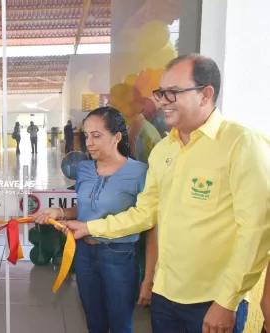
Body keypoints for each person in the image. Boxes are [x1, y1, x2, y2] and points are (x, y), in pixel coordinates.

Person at [57, 54, 270, 333]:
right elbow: (145, 214)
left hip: (212, 300)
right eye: (160, 93)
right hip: (166, 295)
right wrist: (89, 227)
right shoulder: (163, 151)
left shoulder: (241, 145)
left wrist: (227, 302)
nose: (161, 102)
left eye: (173, 93)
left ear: (206, 94)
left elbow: (256, 231)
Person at [34, 107, 157, 333]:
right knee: (94, 323)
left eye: (96, 136)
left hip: (119, 258)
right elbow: (86, 207)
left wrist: (148, 279)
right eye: (86, 135)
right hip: (84, 254)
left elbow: (151, 227)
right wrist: (59, 213)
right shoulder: (85, 169)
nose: (88, 143)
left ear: (117, 137)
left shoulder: (140, 173)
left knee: (121, 325)